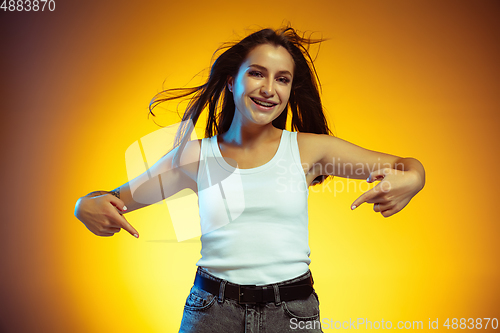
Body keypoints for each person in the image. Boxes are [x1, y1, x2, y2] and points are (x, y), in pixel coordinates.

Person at [74, 26, 425, 333]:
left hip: (293, 313)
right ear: (231, 81)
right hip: (212, 313)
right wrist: (83, 206)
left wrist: (414, 180)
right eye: (257, 73)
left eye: (282, 78)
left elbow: (405, 166)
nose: (269, 89)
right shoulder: (194, 158)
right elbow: (111, 198)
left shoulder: (310, 151)